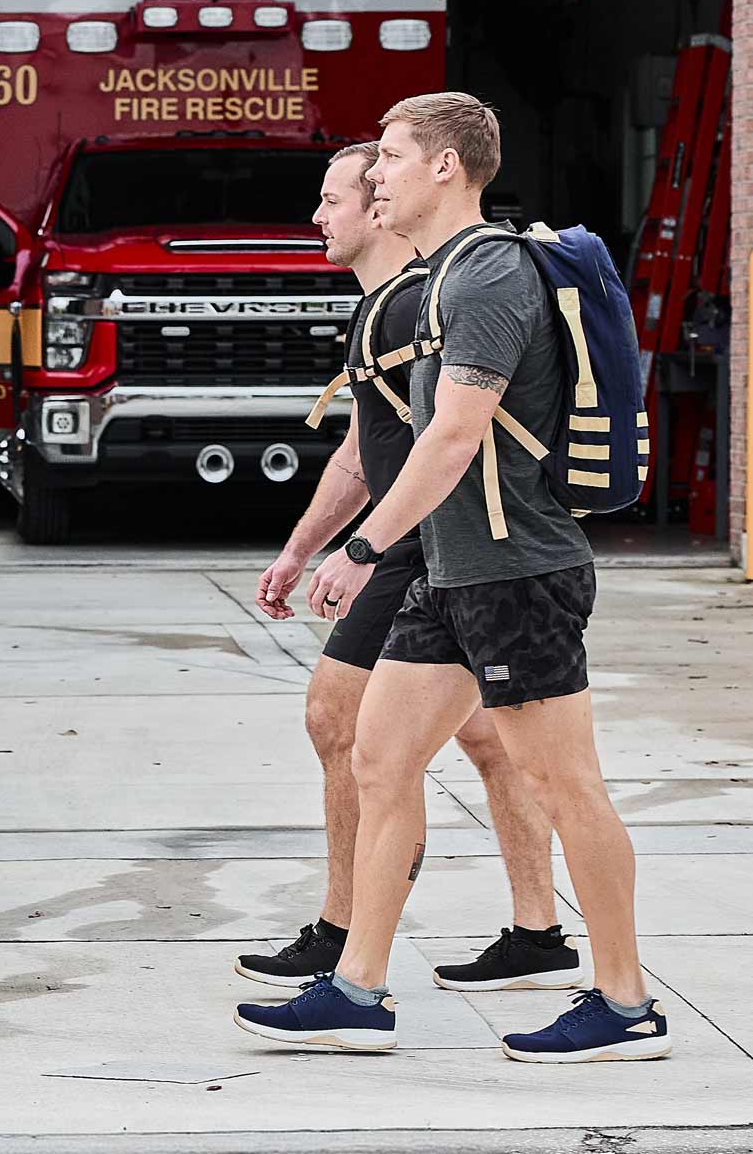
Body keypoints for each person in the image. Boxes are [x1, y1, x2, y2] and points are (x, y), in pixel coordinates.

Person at [234, 99, 670, 1063]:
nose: (374, 173)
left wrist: (360, 549)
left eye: (388, 157)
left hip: (519, 574)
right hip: (451, 573)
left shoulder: (489, 275)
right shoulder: (432, 281)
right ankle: (357, 991)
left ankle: (626, 1003)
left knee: (566, 784)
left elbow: (454, 434)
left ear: (445, 167)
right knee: (379, 760)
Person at [239, 140, 581, 999]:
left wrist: (358, 552)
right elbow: (364, 450)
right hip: (421, 551)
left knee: (346, 725)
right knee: (483, 741)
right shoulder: (386, 310)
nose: (321, 215)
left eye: (341, 195)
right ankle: (535, 932)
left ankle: (349, 938)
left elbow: (441, 444)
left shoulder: (420, 304)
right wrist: (299, 548)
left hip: (432, 551)